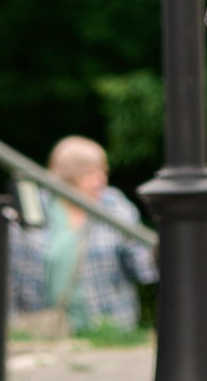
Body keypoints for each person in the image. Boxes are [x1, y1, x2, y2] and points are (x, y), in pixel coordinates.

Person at [9, 135, 156, 327]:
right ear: (70, 175)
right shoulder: (35, 207)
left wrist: (157, 254)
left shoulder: (114, 205)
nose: (102, 179)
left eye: (103, 171)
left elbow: (143, 267)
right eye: (92, 173)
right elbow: (12, 274)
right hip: (45, 329)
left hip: (109, 329)